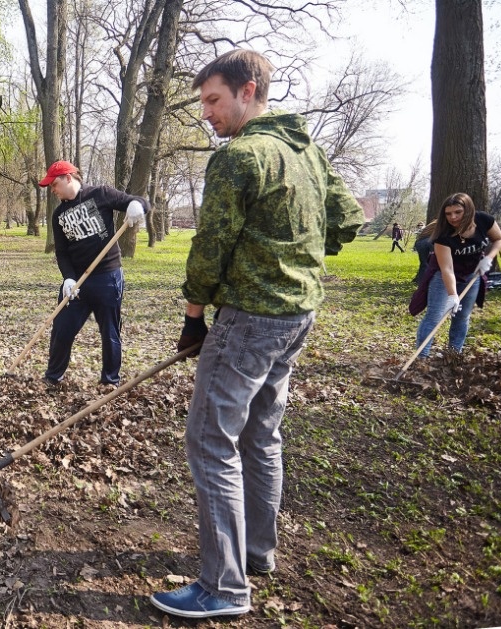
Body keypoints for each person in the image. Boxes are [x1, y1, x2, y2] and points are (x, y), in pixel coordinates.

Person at [149, 49, 363, 620]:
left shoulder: (242, 157)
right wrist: (297, 259)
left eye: (214, 101)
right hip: (298, 316)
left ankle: (223, 586)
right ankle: (255, 553)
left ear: (248, 91)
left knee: (210, 439)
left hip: (250, 321)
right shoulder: (306, 150)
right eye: (203, 105)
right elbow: (346, 219)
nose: (207, 115)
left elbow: (210, 248)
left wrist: (194, 318)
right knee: (261, 433)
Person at [37, 160, 148, 387]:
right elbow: (62, 252)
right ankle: (53, 377)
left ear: (69, 178)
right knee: (62, 329)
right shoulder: (58, 214)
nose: (53, 190)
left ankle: (110, 381)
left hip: (107, 278)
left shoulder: (100, 194)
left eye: (55, 184)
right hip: (76, 283)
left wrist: (137, 206)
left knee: (109, 331)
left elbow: (140, 202)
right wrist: (68, 277)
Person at [413, 192, 501, 358]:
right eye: (448, 214)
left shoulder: (484, 220)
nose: (453, 218)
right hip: (443, 275)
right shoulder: (442, 235)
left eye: (457, 212)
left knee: (462, 317)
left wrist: (488, 259)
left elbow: (499, 239)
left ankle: (454, 356)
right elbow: (447, 268)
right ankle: (421, 359)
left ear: (468, 210)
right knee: (434, 317)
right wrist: (453, 295)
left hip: (472, 274)